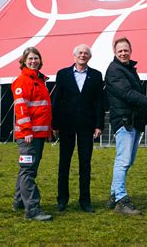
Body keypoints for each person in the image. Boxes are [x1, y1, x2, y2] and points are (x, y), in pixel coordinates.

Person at [105, 36, 147, 215]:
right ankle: (121, 200)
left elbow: (133, 95)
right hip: (125, 121)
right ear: (115, 53)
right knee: (123, 161)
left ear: (130, 51)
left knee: (127, 161)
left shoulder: (128, 69)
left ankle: (114, 194)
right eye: (120, 51)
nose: (123, 53)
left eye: (126, 50)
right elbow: (128, 93)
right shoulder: (115, 70)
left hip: (133, 121)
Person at [52, 44, 104, 213]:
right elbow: (57, 100)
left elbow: (99, 103)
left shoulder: (96, 75)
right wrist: (55, 124)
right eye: (80, 53)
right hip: (66, 125)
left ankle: (85, 200)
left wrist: (98, 124)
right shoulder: (62, 74)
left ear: (89, 57)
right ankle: (62, 199)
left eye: (86, 53)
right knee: (64, 163)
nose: (82, 55)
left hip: (86, 125)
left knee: (85, 163)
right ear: (74, 56)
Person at [11, 47, 53, 221]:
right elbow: (21, 108)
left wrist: (48, 131)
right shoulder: (23, 81)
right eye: (30, 59)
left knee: (27, 170)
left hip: (39, 135)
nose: (33, 61)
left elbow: (43, 110)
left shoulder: (39, 81)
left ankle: (19, 201)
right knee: (28, 171)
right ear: (24, 61)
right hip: (28, 136)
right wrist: (27, 130)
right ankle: (32, 210)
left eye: (36, 58)